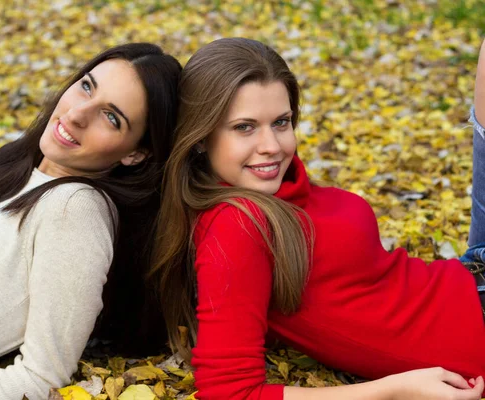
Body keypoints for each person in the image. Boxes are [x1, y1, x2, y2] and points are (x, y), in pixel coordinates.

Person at [151, 37, 485, 399]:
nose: (272, 146)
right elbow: (230, 392)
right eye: (244, 127)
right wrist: (394, 389)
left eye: (281, 122)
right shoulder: (234, 227)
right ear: (200, 137)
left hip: (467, 273)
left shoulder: (275, 188)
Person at [0, 43, 181, 400]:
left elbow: (42, 376)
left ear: (136, 153)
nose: (75, 115)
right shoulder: (20, 166)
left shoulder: (75, 208)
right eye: (87, 86)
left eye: (111, 117)